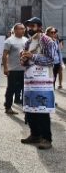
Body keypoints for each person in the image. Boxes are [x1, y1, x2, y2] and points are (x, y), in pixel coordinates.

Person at [21, 17, 56, 150]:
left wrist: (32, 56)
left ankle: (47, 138)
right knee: (30, 108)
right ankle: (35, 134)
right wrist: (23, 58)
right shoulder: (28, 41)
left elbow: (51, 59)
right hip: (30, 80)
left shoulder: (47, 40)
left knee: (42, 109)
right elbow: (25, 60)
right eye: (28, 26)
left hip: (42, 81)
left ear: (40, 27)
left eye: (33, 26)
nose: (30, 28)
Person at [2, 23, 28, 114]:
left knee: (25, 88)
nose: (23, 30)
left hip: (25, 69)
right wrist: (5, 67)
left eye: (24, 28)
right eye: (21, 28)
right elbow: (4, 55)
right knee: (11, 89)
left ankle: (26, 107)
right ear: (16, 30)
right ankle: (8, 107)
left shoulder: (26, 40)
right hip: (13, 69)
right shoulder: (9, 41)